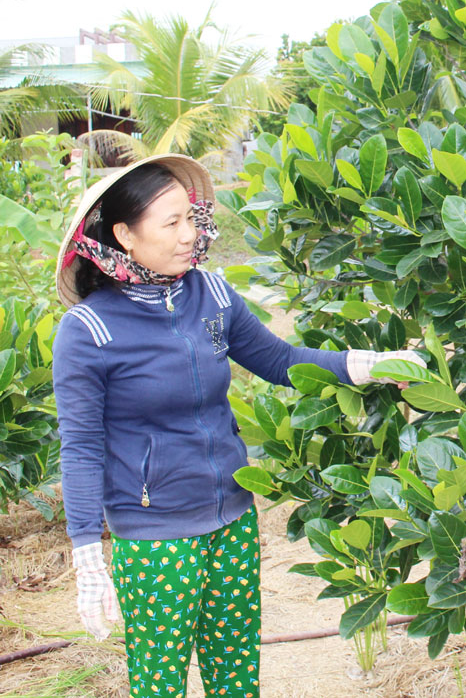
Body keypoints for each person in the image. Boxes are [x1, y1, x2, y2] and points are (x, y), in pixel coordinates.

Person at [53, 153, 425, 698]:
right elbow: (82, 446)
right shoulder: (89, 331)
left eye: (190, 218)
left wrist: (370, 365)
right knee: (159, 683)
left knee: (237, 675)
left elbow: (280, 360)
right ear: (125, 236)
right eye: (171, 223)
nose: (189, 236)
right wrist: (87, 554)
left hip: (233, 520)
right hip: (157, 538)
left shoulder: (212, 295)